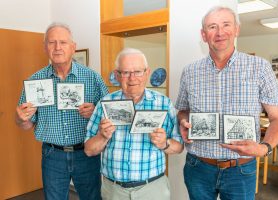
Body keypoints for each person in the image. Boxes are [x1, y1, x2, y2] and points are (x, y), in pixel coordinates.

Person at [175, 6, 278, 200]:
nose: (220, 32)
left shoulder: (260, 68)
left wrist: (264, 148)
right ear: (204, 35)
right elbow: (183, 110)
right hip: (198, 167)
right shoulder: (190, 72)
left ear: (237, 29)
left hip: (241, 170)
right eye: (212, 27)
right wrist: (184, 123)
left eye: (226, 25)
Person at [15, 22, 108, 200]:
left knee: (92, 197)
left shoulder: (93, 78)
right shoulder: (34, 81)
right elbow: (25, 124)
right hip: (52, 155)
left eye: (63, 42)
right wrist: (20, 118)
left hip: (87, 154)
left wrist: (96, 111)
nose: (57, 47)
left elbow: (110, 116)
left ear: (73, 47)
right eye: (52, 42)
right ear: (45, 48)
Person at [84, 48, 183, 200]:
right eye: (125, 72)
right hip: (113, 191)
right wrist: (102, 137)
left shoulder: (163, 103)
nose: (132, 78)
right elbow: (89, 150)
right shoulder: (105, 103)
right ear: (117, 75)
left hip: (153, 189)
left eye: (138, 71)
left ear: (147, 72)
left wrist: (164, 143)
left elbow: (179, 147)